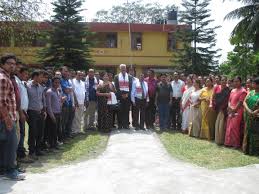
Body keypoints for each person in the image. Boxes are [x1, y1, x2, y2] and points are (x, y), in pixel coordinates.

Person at [0, 53, 25, 180]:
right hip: (5, 119)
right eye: (9, 63)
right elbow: (1, 102)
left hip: (6, 118)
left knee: (4, 145)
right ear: (3, 64)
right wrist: (8, 120)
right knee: (11, 145)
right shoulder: (3, 78)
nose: (12, 66)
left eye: (14, 64)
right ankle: (10, 171)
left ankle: (3, 171)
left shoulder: (7, 77)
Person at [27, 71, 47, 158]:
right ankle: (31, 151)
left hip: (40, 112)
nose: (42, 79)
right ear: (35, 77)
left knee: (40, 132)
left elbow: (43, 99)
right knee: (33, 132)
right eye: (40, 77)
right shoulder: (27, 86)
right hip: (31, 112)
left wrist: (44, 110)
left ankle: (38, 149)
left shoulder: (41, 87)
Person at [15, 67, 33, 163]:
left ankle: (21, 153)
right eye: (25, 74)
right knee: (21, 134)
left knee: (22, 133)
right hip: (19, 112)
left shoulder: (22, 83)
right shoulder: (17, 82)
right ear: (20, 73)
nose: (27, 76)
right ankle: (20, 155)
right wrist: (21, 112)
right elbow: (18, 100)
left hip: (23, 111)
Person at [225, 76, 247, 148]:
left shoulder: (243, 91)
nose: (236, 83)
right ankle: (228, 142)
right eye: (234, 81)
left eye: (237, 81)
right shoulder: (232, 90)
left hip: (238, 111)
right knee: (229, 126)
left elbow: (241, 102)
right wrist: (229, 107)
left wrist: (234, 109)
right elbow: (229, 100)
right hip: (230, 110)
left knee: (235, 127)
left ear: (240, 82)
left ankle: (236, 144)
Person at [243, 77, 259, 155]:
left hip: (256, 118)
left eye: (253, 83)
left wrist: (255, 112)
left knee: (255, 133)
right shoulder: (251, 92)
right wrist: (249, 111)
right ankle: (247, 150)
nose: (252, 84)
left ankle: (255, 151)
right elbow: (244, 102)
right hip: (248, 116)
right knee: (247, 132)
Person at [114, 64, 133, 129]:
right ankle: (120, 124)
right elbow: (116, 87)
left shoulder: (130, 77)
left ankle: (126, 124)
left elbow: (131, 87)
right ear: (120, 69)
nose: (123, 69)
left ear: (126, 69)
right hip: (120, 96)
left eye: (124, 68)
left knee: (126, 110)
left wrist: (127, 94)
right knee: (120, 110)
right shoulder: (116, 76)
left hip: (127, 96)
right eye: (122, 68)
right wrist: (121, 95)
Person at [45, 77, 62, 150]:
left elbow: (58, 102)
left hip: (58, 113)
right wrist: (52, 116)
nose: (57, 84)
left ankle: (55, 144)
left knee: (56, 130)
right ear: (52, 83)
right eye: (55, 82)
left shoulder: (57, 91)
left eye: (58, 82)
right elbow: (48, 106)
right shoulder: (49, 92)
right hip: (52, 114)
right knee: (51, 131)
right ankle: (51, 146)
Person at [214, 76, 231, 145]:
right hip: (218, 108)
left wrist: (223, 107)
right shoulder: (217, 88)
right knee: (218, 124)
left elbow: (228, 100)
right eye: (222, 80)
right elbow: (215, 97)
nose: (223, 81)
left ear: (226, 81)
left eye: (225, 80)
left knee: (222, 125)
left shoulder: (228, 90)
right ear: (220, 81)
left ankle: (222, 140)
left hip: (225, 109)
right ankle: (217, 139)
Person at [60, 66, 75, 140]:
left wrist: (69, 89)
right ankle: (63, 137)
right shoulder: (61, 80)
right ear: (61, 72)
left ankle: (67, 135)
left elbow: (71, 90)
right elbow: (66, 90)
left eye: (67, 71)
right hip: (64, 104)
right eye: (64, 71)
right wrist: (70, 89)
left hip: (69, 103)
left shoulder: (67, 81)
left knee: (69, 120)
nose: (66, 72)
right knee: (63, 122)